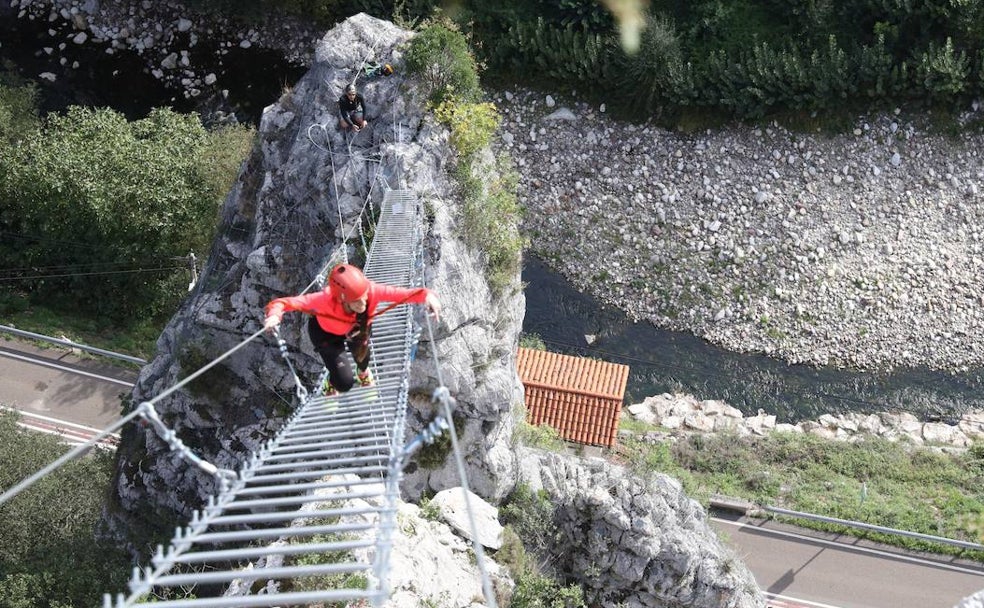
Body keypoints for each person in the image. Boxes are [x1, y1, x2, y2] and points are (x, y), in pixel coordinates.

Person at [264, 263, 441, 395]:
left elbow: (405, 294)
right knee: (344, 383)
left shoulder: (372, 291)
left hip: (358, 329)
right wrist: (274, 315)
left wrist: (429, 296)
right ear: (342, 299)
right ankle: (331, 381)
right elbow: (284, 303)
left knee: (363, 359)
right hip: (326, 335)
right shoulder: (323, 300)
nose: (363, 303)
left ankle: (363, 372)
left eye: (364, 296)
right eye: (356, 300)